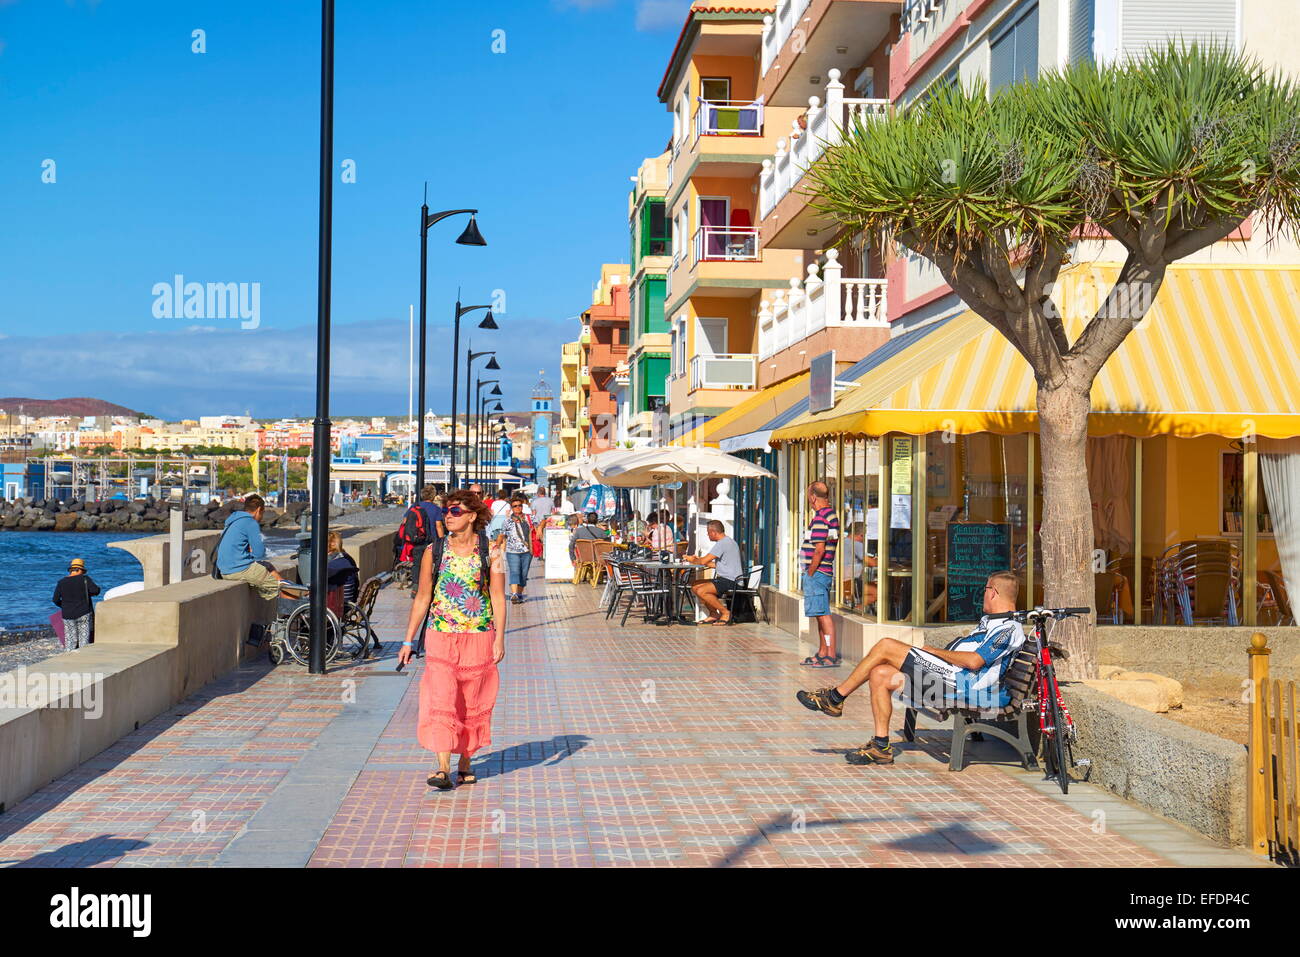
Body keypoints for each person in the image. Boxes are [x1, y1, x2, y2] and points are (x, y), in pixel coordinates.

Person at [796, 571, 1025, 766]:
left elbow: (975, 661)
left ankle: (835, 698)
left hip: (963, 685)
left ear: (992, 591)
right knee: (880, 673)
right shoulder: (992, 622)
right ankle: (881, 746)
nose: (983, 594)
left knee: (886, 645)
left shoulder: (1009, 628)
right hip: (950, 678)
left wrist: (934, 652)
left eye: (985, 589)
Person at [398, 489, 507, 791]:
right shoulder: (435, 551)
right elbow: (422, 597)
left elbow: (497, 597)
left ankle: (465, 762)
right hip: (441, 635)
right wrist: (408, 640)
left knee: (472, 701)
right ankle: (443, 767)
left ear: (472, 516)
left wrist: (499, 638)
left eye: (455, 511)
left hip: (478, 635)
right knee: (441, 698)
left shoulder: (492, 552)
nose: (448, 516)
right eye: (447, 511)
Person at [215, 494, 288, 599]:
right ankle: (300, 610)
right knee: (282, 589)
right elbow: (259, 553)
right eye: (262, 513)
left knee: (268, 566)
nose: (261, 517)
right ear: (258, 510)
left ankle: (288, 589)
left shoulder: (233, 521)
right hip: (238, 570)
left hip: (224, 570)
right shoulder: (251, 522)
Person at [800, 481, 840, 667]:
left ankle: (830, 653)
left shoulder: (820, 518)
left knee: (823, 615)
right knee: (819, 613)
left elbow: (820, 550)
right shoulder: (831, 515)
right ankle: (822, 651)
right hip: (823, 572)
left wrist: (810, 571)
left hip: (818, 573)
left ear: (812, 497)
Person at [685, 520, 744, 625]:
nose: (708, 535)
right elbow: (716, 564)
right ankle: (713, 613)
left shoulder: (722, 543)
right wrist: (701, 560)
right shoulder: (728, 541)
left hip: (731, 580)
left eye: (708, 532)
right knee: (695, 586)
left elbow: (703, 561)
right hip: (727, 578)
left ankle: (725, 613)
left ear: (713, 532)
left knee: (702, 591)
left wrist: (691, 559)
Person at [52, 557, 100, 650]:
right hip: (84, 613)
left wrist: (65, 606)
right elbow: (96, 590)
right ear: (80, 570)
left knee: (70, 640)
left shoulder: (61, 582)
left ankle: (69, 658)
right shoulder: (85, 579)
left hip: (68, 614)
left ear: (71, 570)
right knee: (84, 640)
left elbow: (55, 599)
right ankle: (82, 658)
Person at [502, 496, 534, 604]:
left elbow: (540, 523)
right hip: (512, 551)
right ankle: (514, 594)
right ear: (511, 508)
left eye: (519, 505)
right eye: (515, 506)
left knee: (523, 574)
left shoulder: (529, 518)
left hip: (527, 551)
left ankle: (519, 594)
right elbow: (503, 535)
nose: (517, 508)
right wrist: (500, 547)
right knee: (514, 571)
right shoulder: (507, 521)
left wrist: (539, 529)